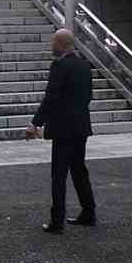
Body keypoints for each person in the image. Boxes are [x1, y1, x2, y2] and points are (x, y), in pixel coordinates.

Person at [25, 29, 97, 233]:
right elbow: (88, 96)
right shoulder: (84, 65)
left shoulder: (59, 66)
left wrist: (35, 123)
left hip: (63, 128)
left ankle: (57, 221)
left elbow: (51, 97)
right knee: (79, 170)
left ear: (61, 44)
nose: (51, 46)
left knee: (59, 174)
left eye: (53, 42)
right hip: (81, 125)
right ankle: (89, 212)